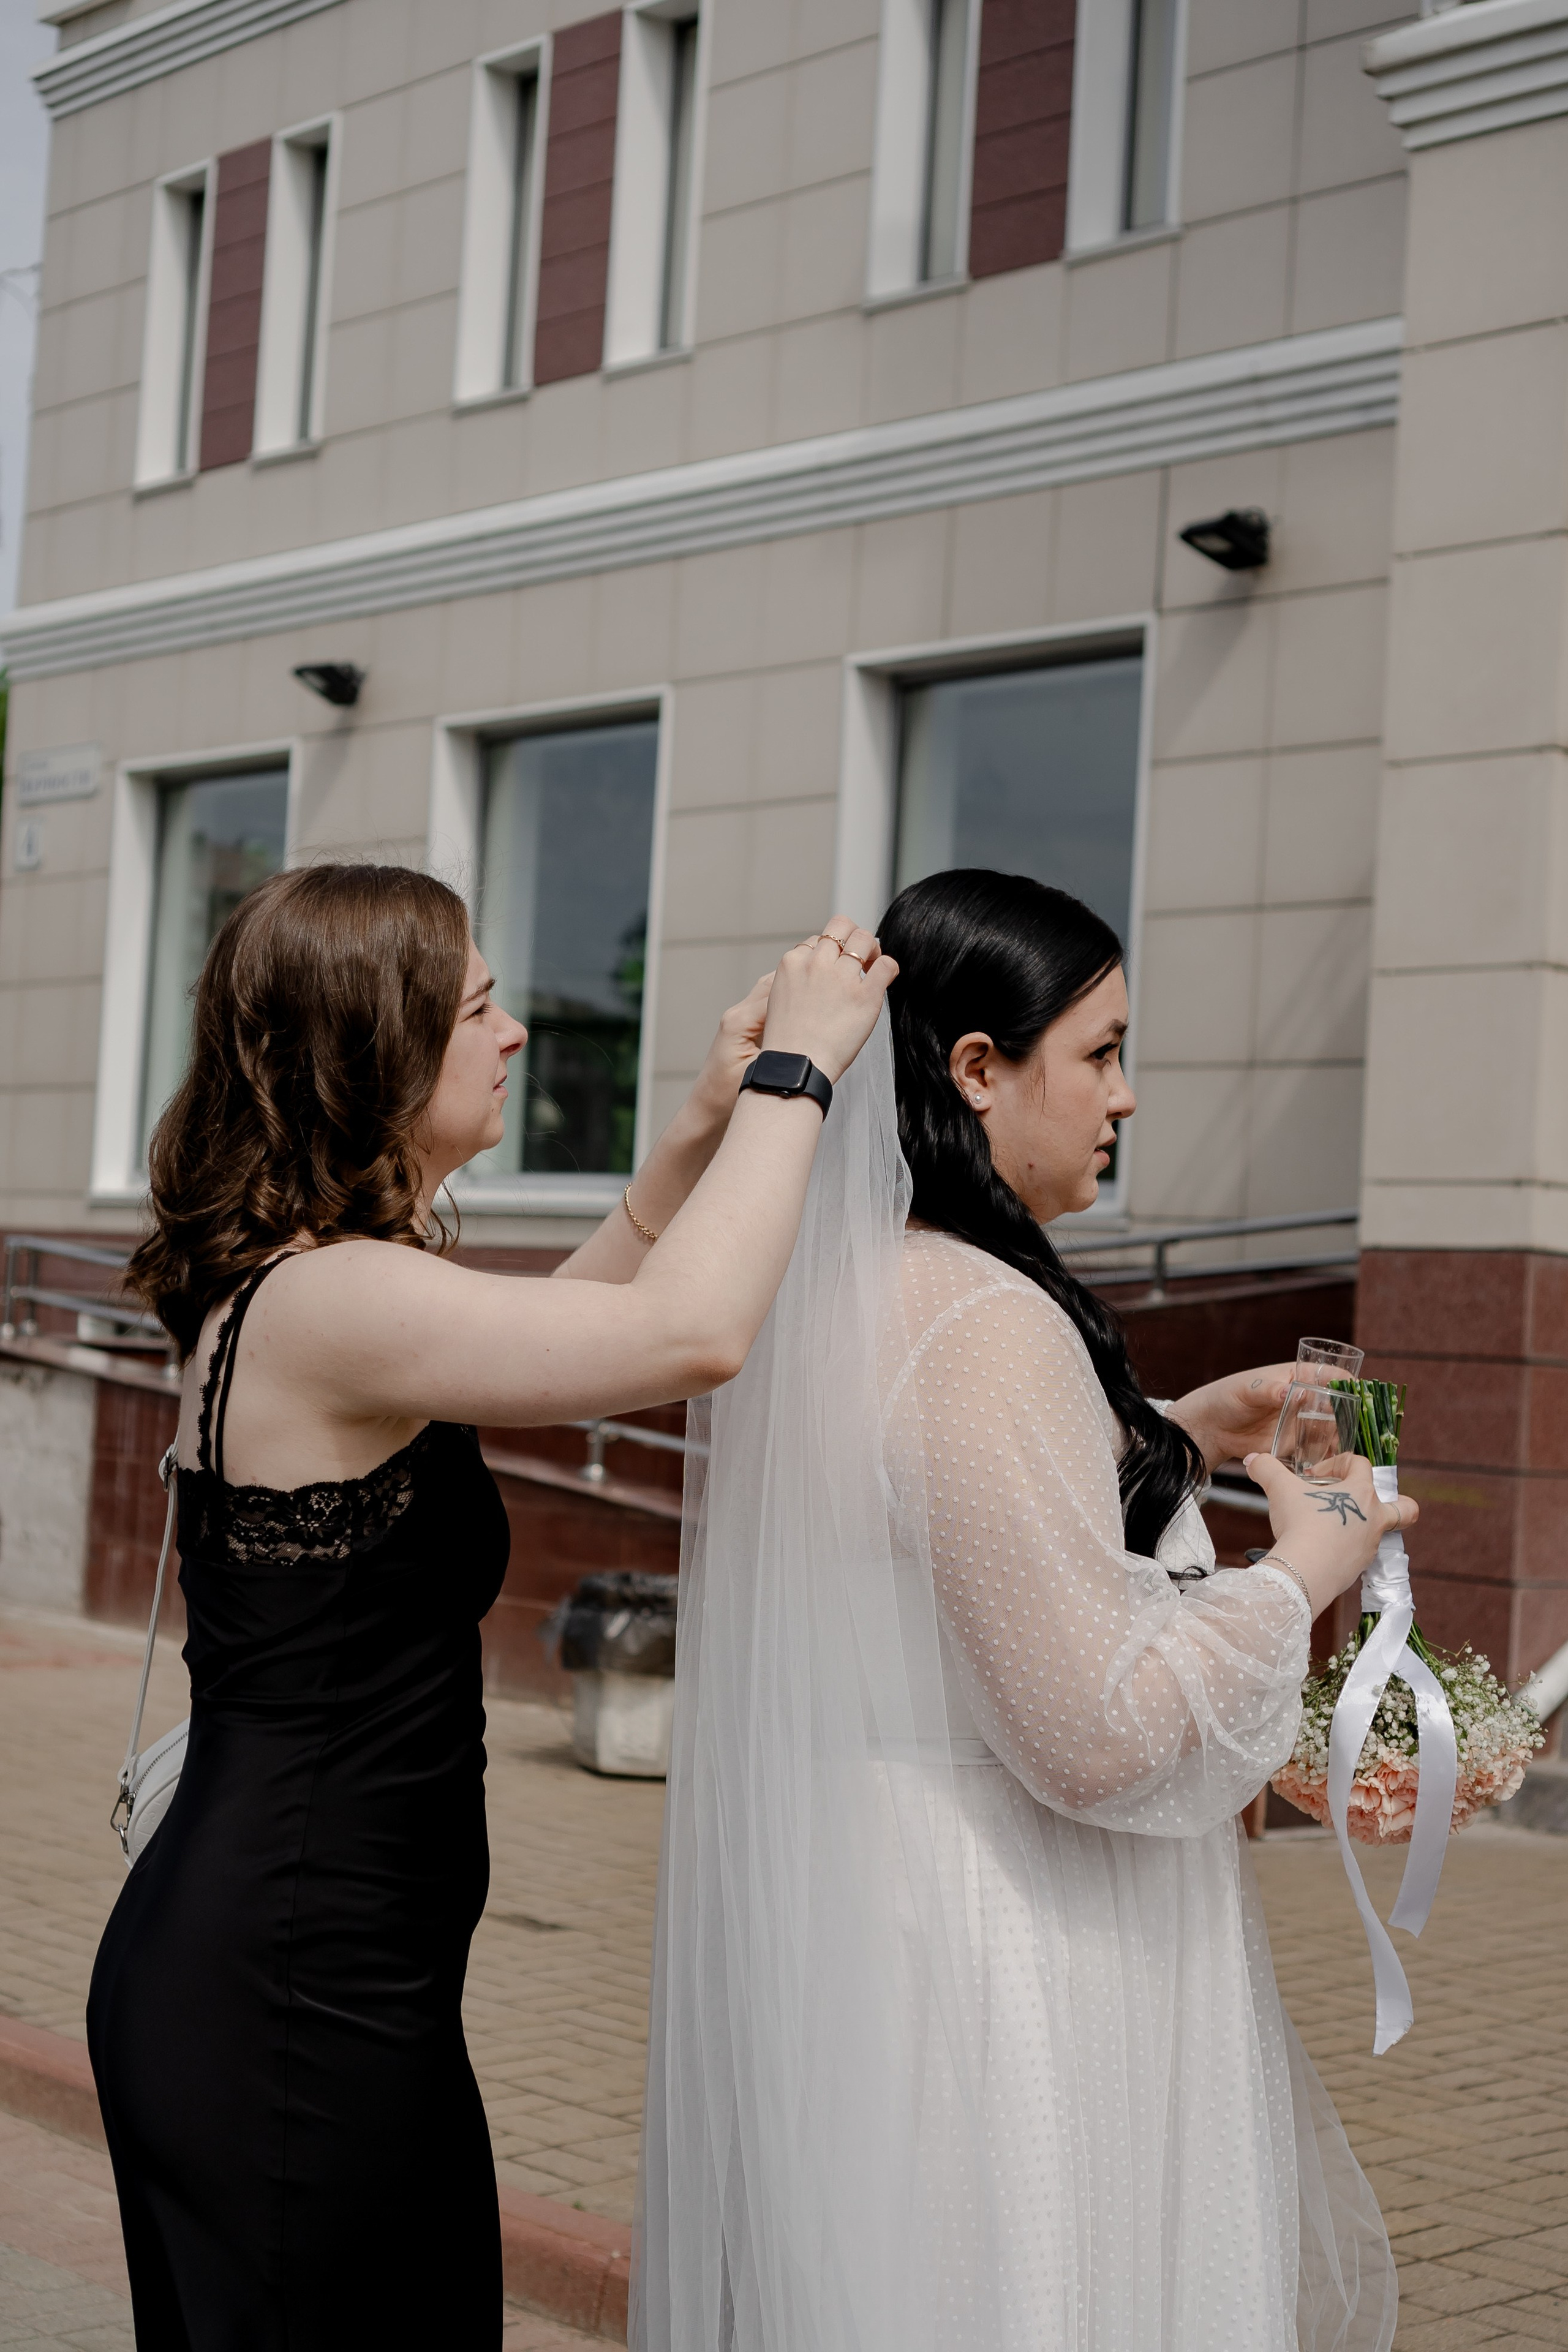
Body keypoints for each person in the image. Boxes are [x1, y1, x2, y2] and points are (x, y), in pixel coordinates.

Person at [86, 862, 894, 2352]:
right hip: (282, 1997)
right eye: (479, 1006)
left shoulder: (325, 1287)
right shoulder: (332, 1299)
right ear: (378, 1049)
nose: (519, 1031)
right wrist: (802, 1072)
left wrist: (699, 1133)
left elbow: (555, 1342)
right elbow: (687, 1335)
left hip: (328, 1979)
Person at [636, 869, 1411, 2352]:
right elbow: (1096, 1734)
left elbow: (945, 1540)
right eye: (1101, 1052)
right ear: (979, 1071)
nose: (1125, 1098)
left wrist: (1168, 1427)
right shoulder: (983, 1320)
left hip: (881, 1929)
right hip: (1003, 1963)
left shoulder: (855, 1286)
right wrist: (1303, 1566)